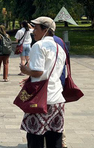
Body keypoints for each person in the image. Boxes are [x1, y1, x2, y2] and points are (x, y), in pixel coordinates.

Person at [19, 16, 66, 148]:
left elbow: (38, 71)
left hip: (41, 100)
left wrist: (25, 70)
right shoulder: (59, 48)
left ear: (46, 30)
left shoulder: (39, 46)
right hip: (57, 99)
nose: (33, 31)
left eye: (36, 28)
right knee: (55, 139)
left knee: (35, 138)